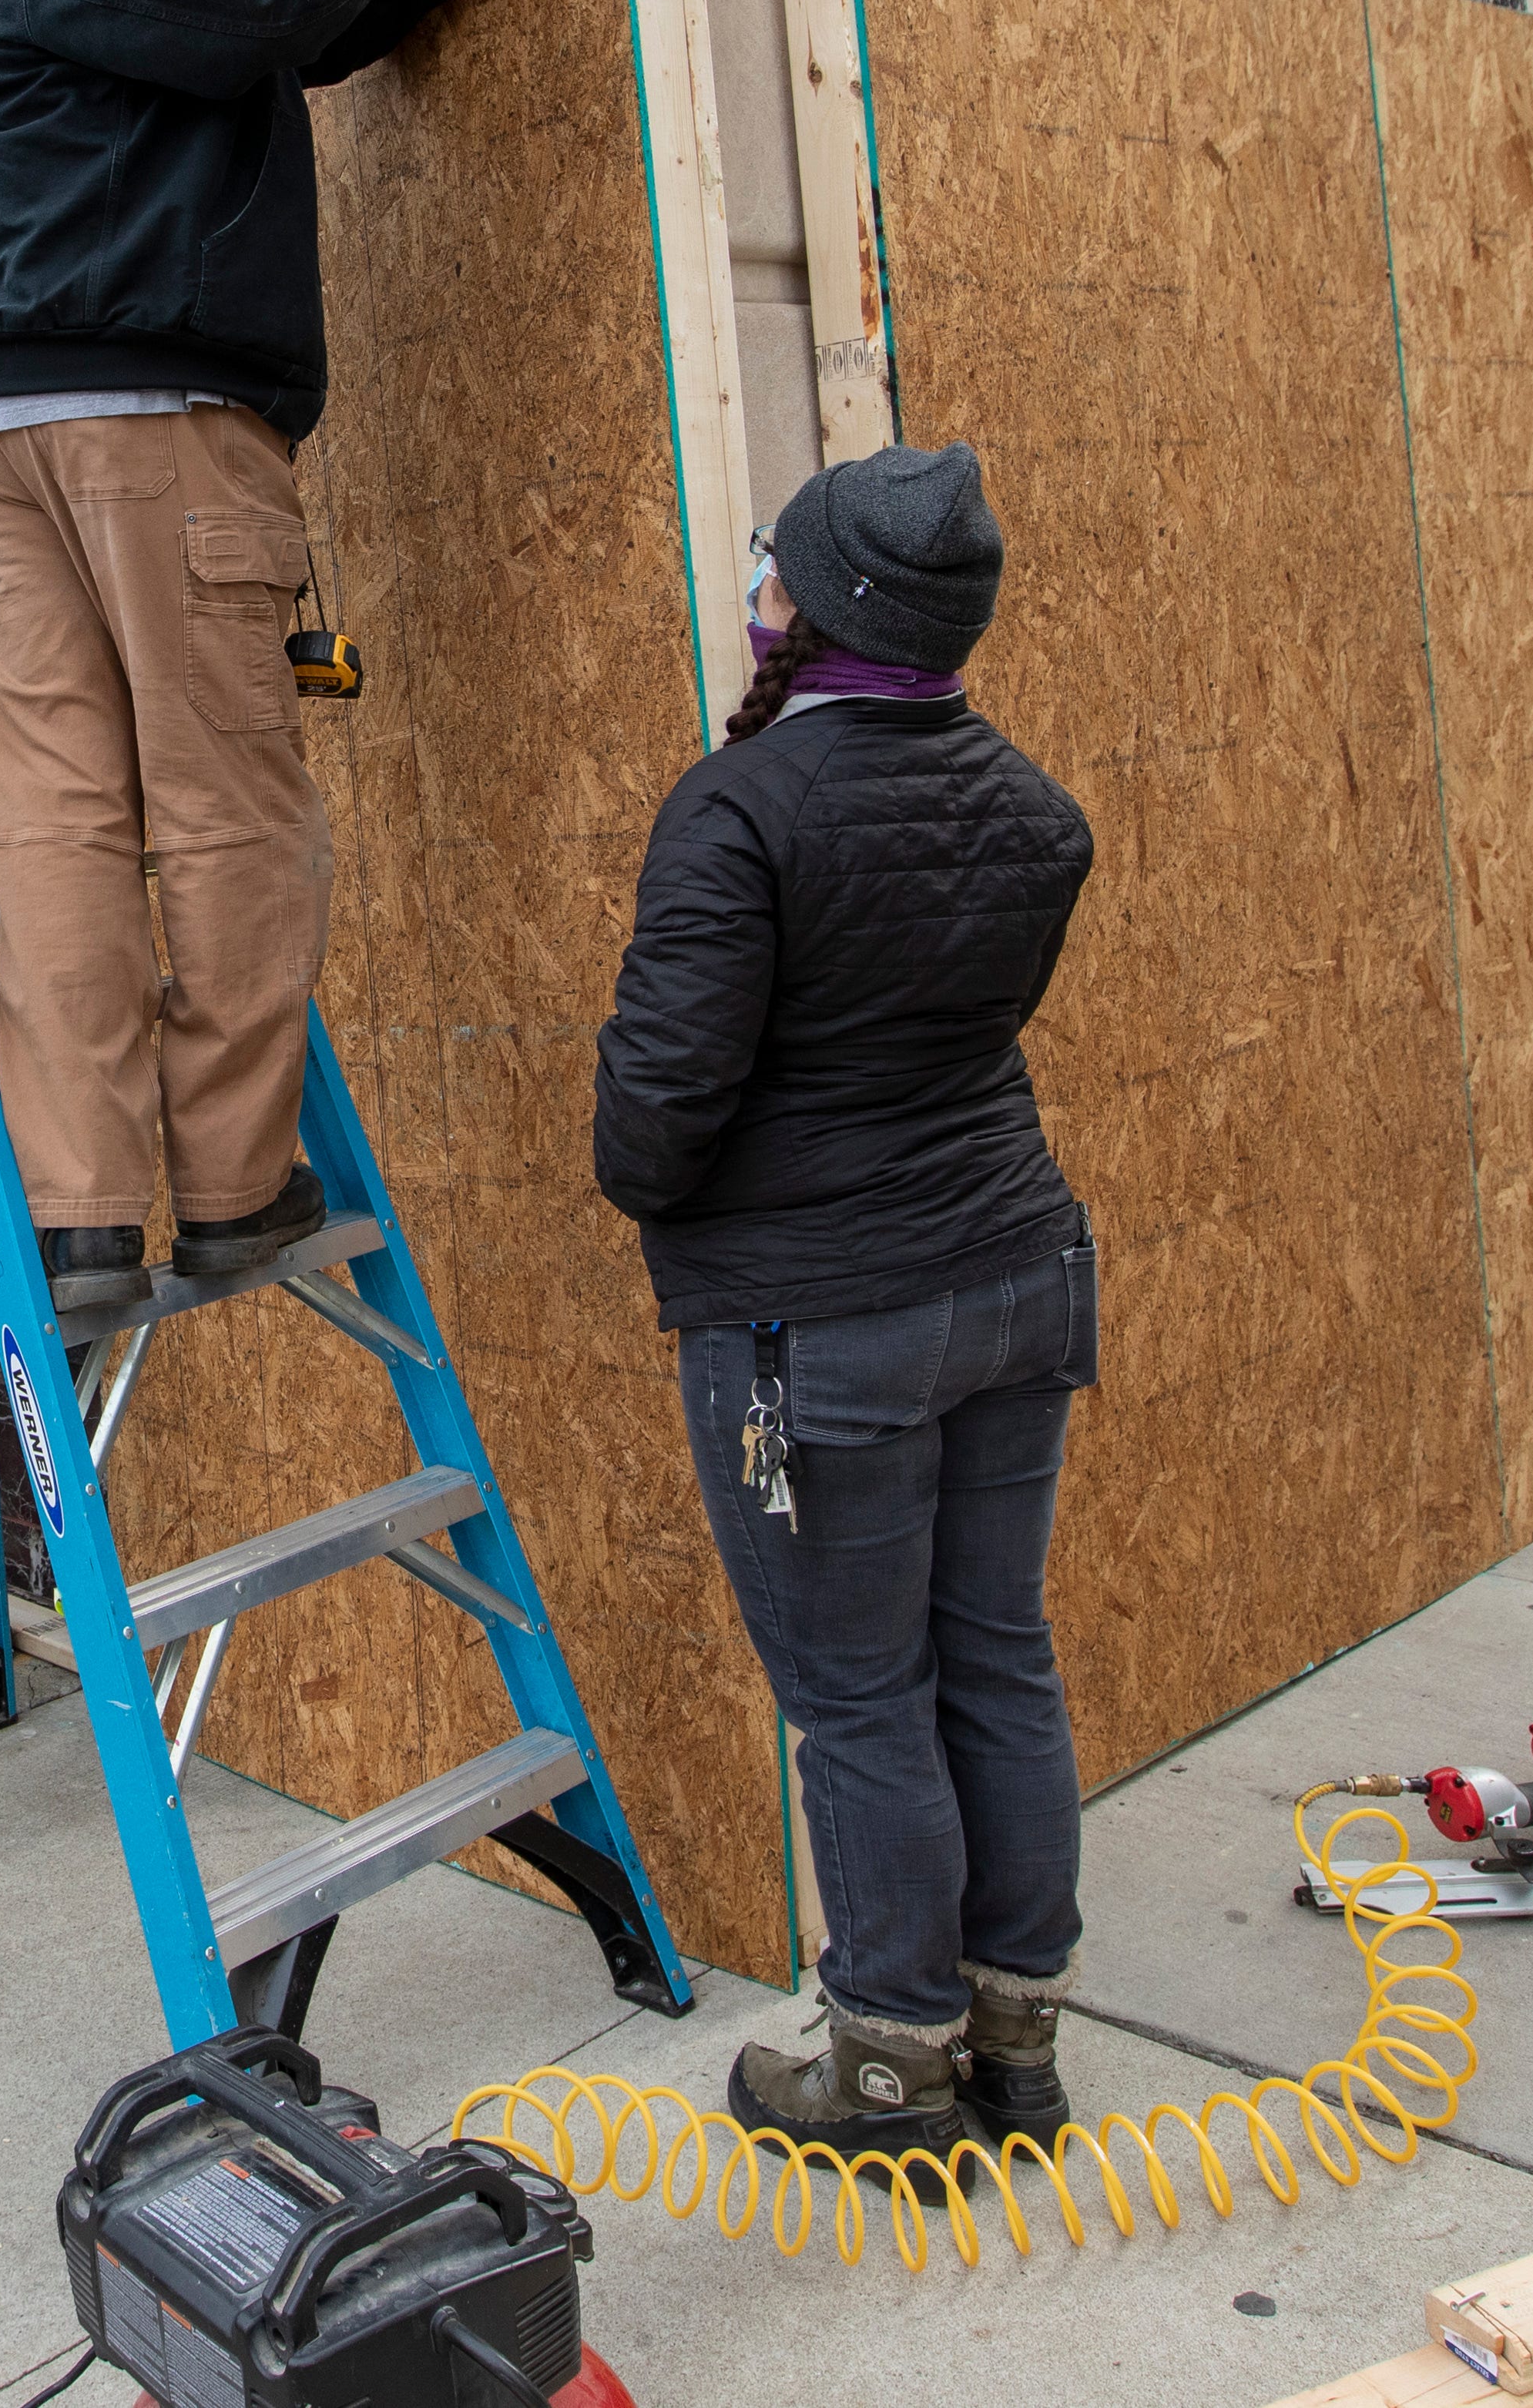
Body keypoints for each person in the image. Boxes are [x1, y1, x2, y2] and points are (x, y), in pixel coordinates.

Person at [0, 0, 573, 1314]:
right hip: (144, 416)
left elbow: (290, 16)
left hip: (3, 429)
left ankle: (75, 1210)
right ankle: (226, 1189)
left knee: (56, 824)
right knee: (225, 810)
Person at [589, 442, 1099, 2164]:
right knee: (994, 1657)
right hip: (1016, 1283)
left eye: (768, 572)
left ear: (812, 612)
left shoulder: (740, 811)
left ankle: (889, 2062)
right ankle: (1011, 2035)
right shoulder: (1035, 809)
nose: (752, 593)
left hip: (820, 1332)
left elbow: (651, 1135)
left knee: (862, 1700)